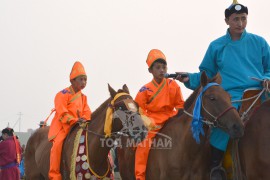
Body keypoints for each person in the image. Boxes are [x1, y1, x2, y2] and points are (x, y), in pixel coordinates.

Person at [177, 0, 270, 179]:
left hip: (260, 92)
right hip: (231, 96)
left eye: (243, 18)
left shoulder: (259, 42)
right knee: (224, 120)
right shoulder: (216, 46)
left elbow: (269, 68)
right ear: (227, 21)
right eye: (236, 19)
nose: (240, 23)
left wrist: (267, 78)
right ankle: (215, 166)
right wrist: (190, 78)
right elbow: (207, 75)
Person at [135, 49, 185, 180]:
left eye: (164, 67)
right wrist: (145, 121)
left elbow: (180, 104)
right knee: (143, 143)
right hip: (152, 121)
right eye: (158, 67)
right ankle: (140, 176)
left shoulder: (172, 84)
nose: (162, 70)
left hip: (171, 118)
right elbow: (138, 109)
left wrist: (180, 117)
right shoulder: (144, 89)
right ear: (150, 71)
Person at [48, 61, 92, 180]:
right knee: (57, 145)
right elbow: (62, 113)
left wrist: (85, 119)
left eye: (85, 80)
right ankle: (54, 175)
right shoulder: (62, 94)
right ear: (72, 80)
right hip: (63, 126)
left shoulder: (84, 97)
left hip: (79, 126)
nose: (84, 82)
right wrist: (75, 120)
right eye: (81, 79)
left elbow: (87, 112)